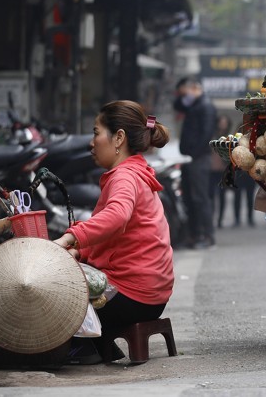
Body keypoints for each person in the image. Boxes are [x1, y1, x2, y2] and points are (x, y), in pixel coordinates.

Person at [52, 100, 174, 364]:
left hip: (131, 297)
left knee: (52, 284)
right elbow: (118, 236)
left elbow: (117, 217)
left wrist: (69, 237)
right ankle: (99, 345)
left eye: (96, 133)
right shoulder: (136, 171)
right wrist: (80, 250)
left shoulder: (124, 177)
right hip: (152, 295)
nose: (91, 142)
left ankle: (85, 347)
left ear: (118, 138)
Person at [173, 77, 218, 248]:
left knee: (200, 198)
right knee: (190, 199)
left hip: (199, 159)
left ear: (193, 88)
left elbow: (206, 134)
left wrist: (193, 154)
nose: (183, 96)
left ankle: (207, 236)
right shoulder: (193, 104)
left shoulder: (205, 105)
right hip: (189, 158)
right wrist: (184, 97)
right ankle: (194, 235)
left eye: (184, 92)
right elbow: (178, 106)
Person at [209, 114, 231, 229]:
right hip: (212, 169)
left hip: (223, 171)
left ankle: (220, 220)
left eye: (225, 123)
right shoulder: (213, 136)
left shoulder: (229, 137)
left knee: (222, 196)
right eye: (221, 122)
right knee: (211, 195)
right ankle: (211, 218)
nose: (223, 125)